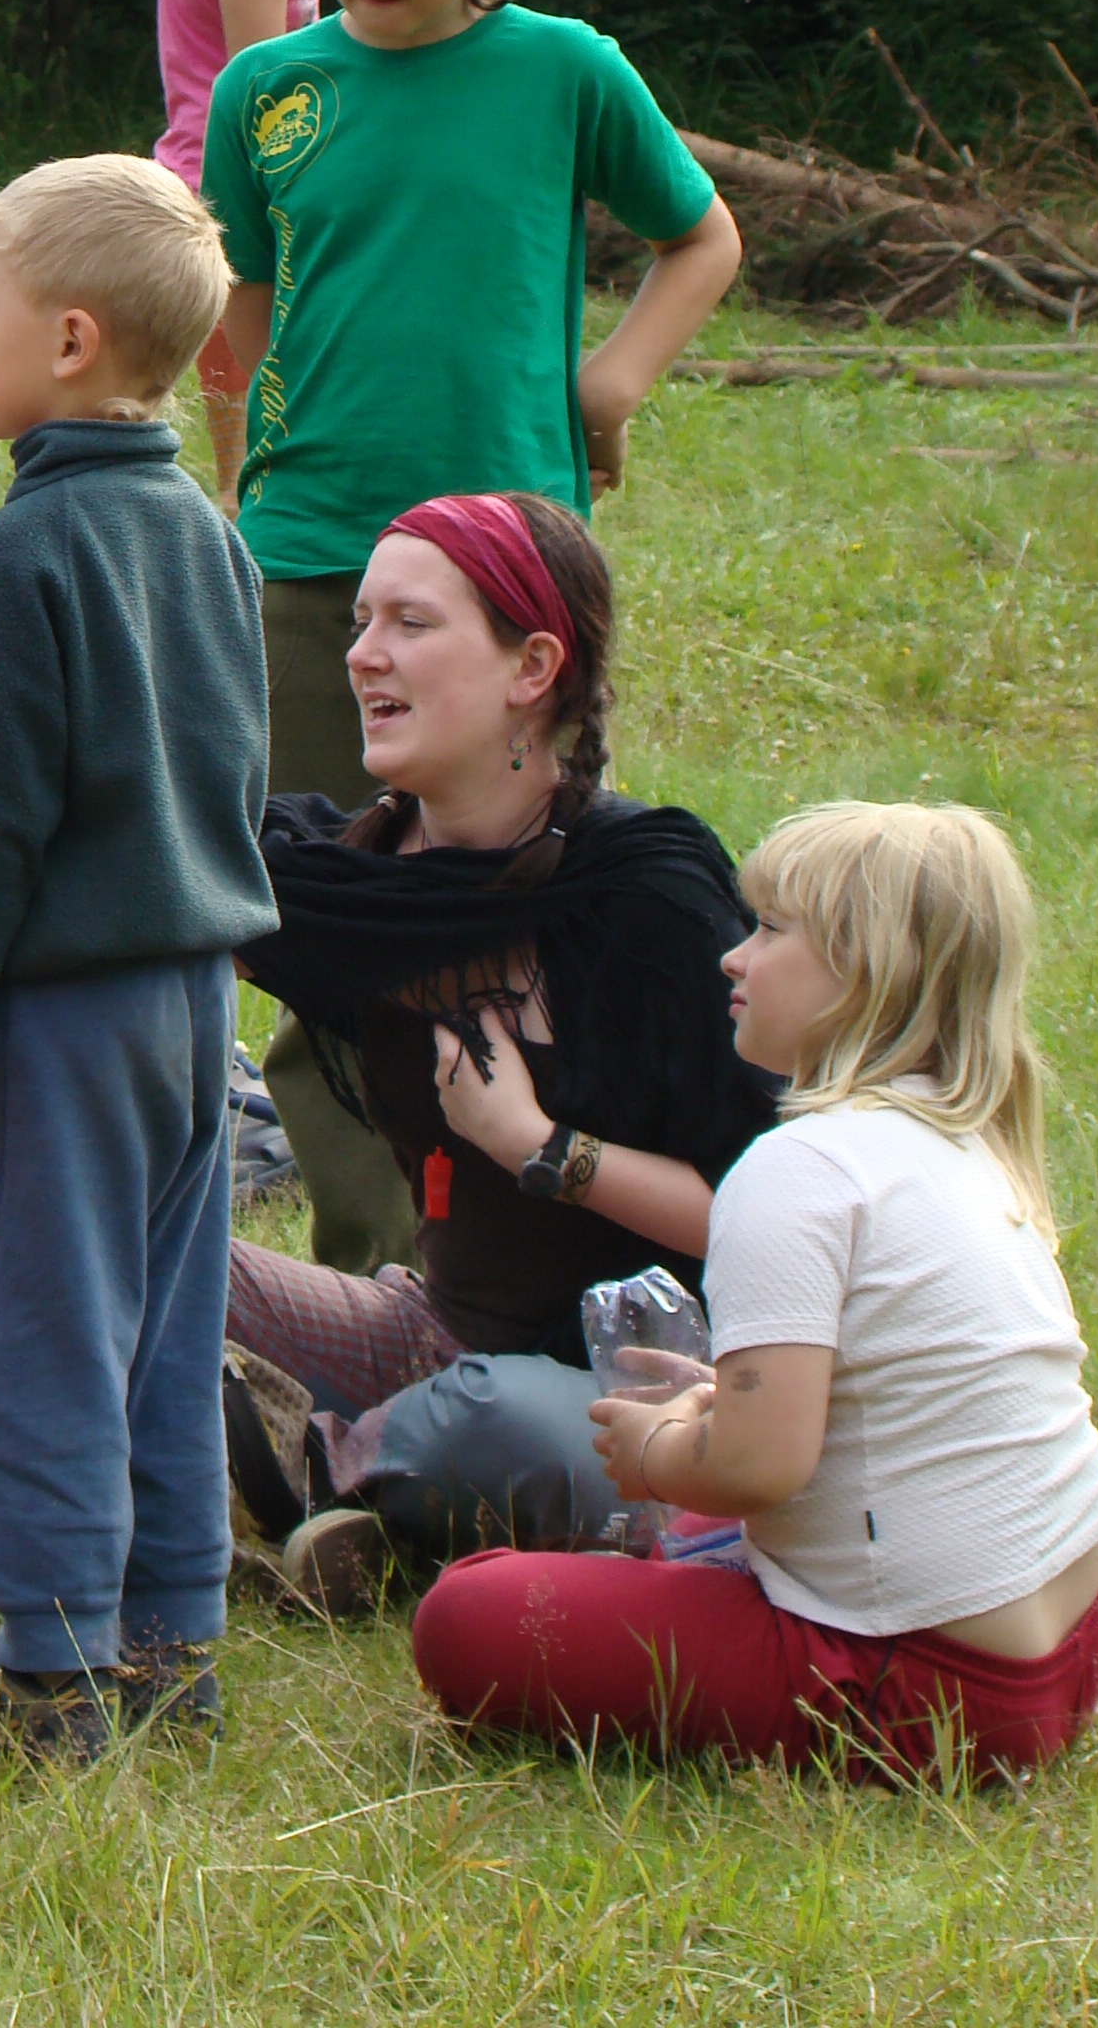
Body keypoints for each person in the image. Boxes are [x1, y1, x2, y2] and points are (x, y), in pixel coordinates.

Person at [202, 0, 744, 1276]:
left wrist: (611, 382)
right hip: (312, 558)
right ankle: (369, 1271)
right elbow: (240, 310)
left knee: (522, 909)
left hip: (510, 570)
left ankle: (524, 1266)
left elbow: (700, 238)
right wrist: (235, 501)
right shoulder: (266, 91)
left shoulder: (566, 73)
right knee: (321, 913)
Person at [413, 804, 1098, 1782]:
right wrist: (720, 1404)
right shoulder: (962, 1140)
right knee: (699, 1529)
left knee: (468, 1611)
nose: (733, 957)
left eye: (772, 930)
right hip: (1070, 1643)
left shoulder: (798, 1170)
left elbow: (758, 1468)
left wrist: (658, 1451)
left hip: (926, 1688)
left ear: (868, 972)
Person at [0, 157, 276, 1763]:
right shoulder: (212, 540)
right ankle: (172, 1636)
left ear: (70, 341)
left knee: (31, 1330)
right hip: (196, 1004)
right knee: (167, 1328)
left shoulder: (16, 556)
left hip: (66, 1015)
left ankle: (47, 1672)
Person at [228, 492, 776, 1605]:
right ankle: (363, 1499)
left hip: (660, 1391)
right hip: (436, 1336)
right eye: (360, 624)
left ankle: (296, 1476)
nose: (363, 655)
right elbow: (116, 925)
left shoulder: (646, 902)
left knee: (492, 1423)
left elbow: (768, 1218)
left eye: (410, 624)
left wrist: (543, 1147)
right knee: (136, 1255)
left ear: (533, 667)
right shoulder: (355, 882)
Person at [154, 0, 371, 510]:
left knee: (251, 442)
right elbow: (264, 96)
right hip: (240, 196)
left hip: (212, 184)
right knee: (250, 458)